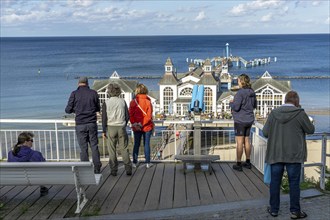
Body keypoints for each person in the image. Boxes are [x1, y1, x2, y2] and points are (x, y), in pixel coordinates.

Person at [263, 91, 314, 219]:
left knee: (275, 182)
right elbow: (310, 130)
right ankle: (295, 211)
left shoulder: (274, 113)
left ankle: (274, 210)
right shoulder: (300, 113)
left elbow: (265, 132)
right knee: (294, 183)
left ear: (285, 100)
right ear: (296, 101)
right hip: (294, 154)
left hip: (276, 153)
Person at [65, 76, 102, 174]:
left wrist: (76, 110)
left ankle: (85, 169)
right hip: (91, 123)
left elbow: (67, 110)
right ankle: (97, 168)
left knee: (83, 148)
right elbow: (98, 108)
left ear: (78, 83)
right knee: (94, 146)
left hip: (80, 124)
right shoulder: (93, 93)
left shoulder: (74, 94)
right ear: (87, 83)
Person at [101, 83, 132, 176]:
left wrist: (103, 130)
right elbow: (127, 116)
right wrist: (124, 124)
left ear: (109, 92)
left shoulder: (106, 103)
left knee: (112, 150)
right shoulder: (122, 101)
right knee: (124, 149)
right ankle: (128, 169)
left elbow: (104, 118)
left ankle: (114, 170)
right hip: (121, 126)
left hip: (110, 127)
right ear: (118, 91)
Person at [229, 74, 257, 171]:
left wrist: (231, 103)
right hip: (249, 119)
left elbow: (236, 107)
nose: (238, 82)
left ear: (241, 81)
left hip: (240, 120)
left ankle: (238, 163)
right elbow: (254, 105)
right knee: (247, 140)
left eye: (238, 81)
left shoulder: (240, 93)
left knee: (239, 142)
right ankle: (248, 162)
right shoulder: (252, 92)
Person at [8, 132, 49, 196]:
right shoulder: (36, 154)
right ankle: (43, 187)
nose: (32, 142)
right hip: (34, 178)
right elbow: (44, 166)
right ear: (25, 142)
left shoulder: (10, 154)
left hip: (13, 178)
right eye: (31, 140)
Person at [129, 84, 154, 168]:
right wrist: (142, 124)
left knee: (136, 144)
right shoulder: (148, 102)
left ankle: (135, 162)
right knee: (146, 144)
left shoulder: (133, 102)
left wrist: (135, 124)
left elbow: (130, 115)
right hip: (146, 126)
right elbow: (149, 116)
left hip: (136, 127)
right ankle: (147, 162)